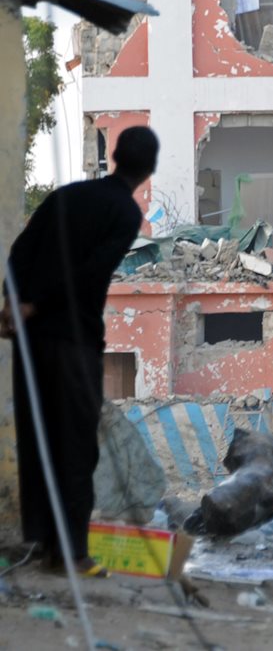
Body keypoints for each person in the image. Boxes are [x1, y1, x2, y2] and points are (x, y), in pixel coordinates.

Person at [1, 126, 158, 577]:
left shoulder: (66, 196)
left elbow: (20, 251)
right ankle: (71, 554)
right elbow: (90, 273)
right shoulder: (125, 214)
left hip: (32, 341)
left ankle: (46, 545)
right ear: (147, 170)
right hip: (73, 342)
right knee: (74, 447)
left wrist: (14, 302)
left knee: (40, 440)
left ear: (114, 155)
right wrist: (32, 304)